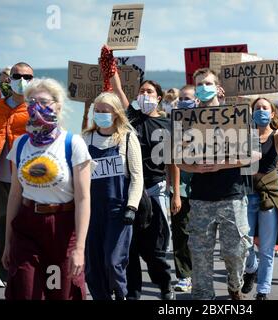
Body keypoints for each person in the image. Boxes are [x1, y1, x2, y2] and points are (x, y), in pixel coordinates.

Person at [102, 45, 180, 300]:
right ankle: (132, 294)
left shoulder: (168, 124)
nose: (144, 94)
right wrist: (110, 62)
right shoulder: (131, 116)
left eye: (149, 91)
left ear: (158, 97)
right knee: (131, 246)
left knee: (155, 249)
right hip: (130, 190)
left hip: (156, 190)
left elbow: (173, 162)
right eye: (141, 91)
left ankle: (165, 284)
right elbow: (117, 88)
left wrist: (176, 194)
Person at [2, 78, 92, 299]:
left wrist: (79, 248)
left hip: (62, 227)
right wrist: (8, 242)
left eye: (42, 101)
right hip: (27, 226)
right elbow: (15, 194)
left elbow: (83, 199)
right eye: (31, 101)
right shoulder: (21, 144)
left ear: (58, 106)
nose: (36, 106)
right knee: (24, 290)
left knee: (61, 293)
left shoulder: (73, 143)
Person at [177, 68, 252, 300]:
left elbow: (249, 155)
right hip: (201, 198)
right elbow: (178, 159)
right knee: (200, 254)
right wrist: (194, 168)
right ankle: (203, 298)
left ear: (217, 87)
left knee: (236, 251)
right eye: (199, 84)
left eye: (208, 83)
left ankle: (234, 283)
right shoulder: (187, 119)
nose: (203, 87)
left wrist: (221, 165)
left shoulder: (234, 116)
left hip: (232, 196)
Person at [82, 92, 143, 300]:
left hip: (119, 210)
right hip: (91, 210)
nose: (99, 114)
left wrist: (132, 207)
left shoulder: (127, 137)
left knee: (113, 261)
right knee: (93, 264)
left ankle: (121, 295)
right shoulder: (85, 138)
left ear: (116, 113)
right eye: (96, 111)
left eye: (104, 111)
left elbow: (137, 177)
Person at [241, 88, 278, 300]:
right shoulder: (243, 136)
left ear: (272, 113)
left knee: (266, 248)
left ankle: (263, 290)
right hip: (246, 194)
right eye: (257, 108)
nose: (261, 111)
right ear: (251, 113)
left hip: (268, 196)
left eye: (265, 108)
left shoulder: (276, 138)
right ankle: (251, 269)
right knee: (243, 243)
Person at [0, 62, 34, 284]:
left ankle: (27, 272)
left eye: (27, 77)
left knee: (26, 226)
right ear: (9, 79)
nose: (22, 80)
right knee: (0, 224)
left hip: (28, 180)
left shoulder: (37, 107)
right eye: (17, 75)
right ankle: (4, 275)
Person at [169, 84, 197, 293]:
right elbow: (174, 160)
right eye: (181, 98)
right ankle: (184, 275)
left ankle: (199, 273)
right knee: (180, 233)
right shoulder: (174, 125)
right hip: (182, 189)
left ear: (196, 101)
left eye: (187, 98)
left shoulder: (207, 123)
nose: (183, 101)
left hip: (205, 189)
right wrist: (176, 193)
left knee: (201, 236)